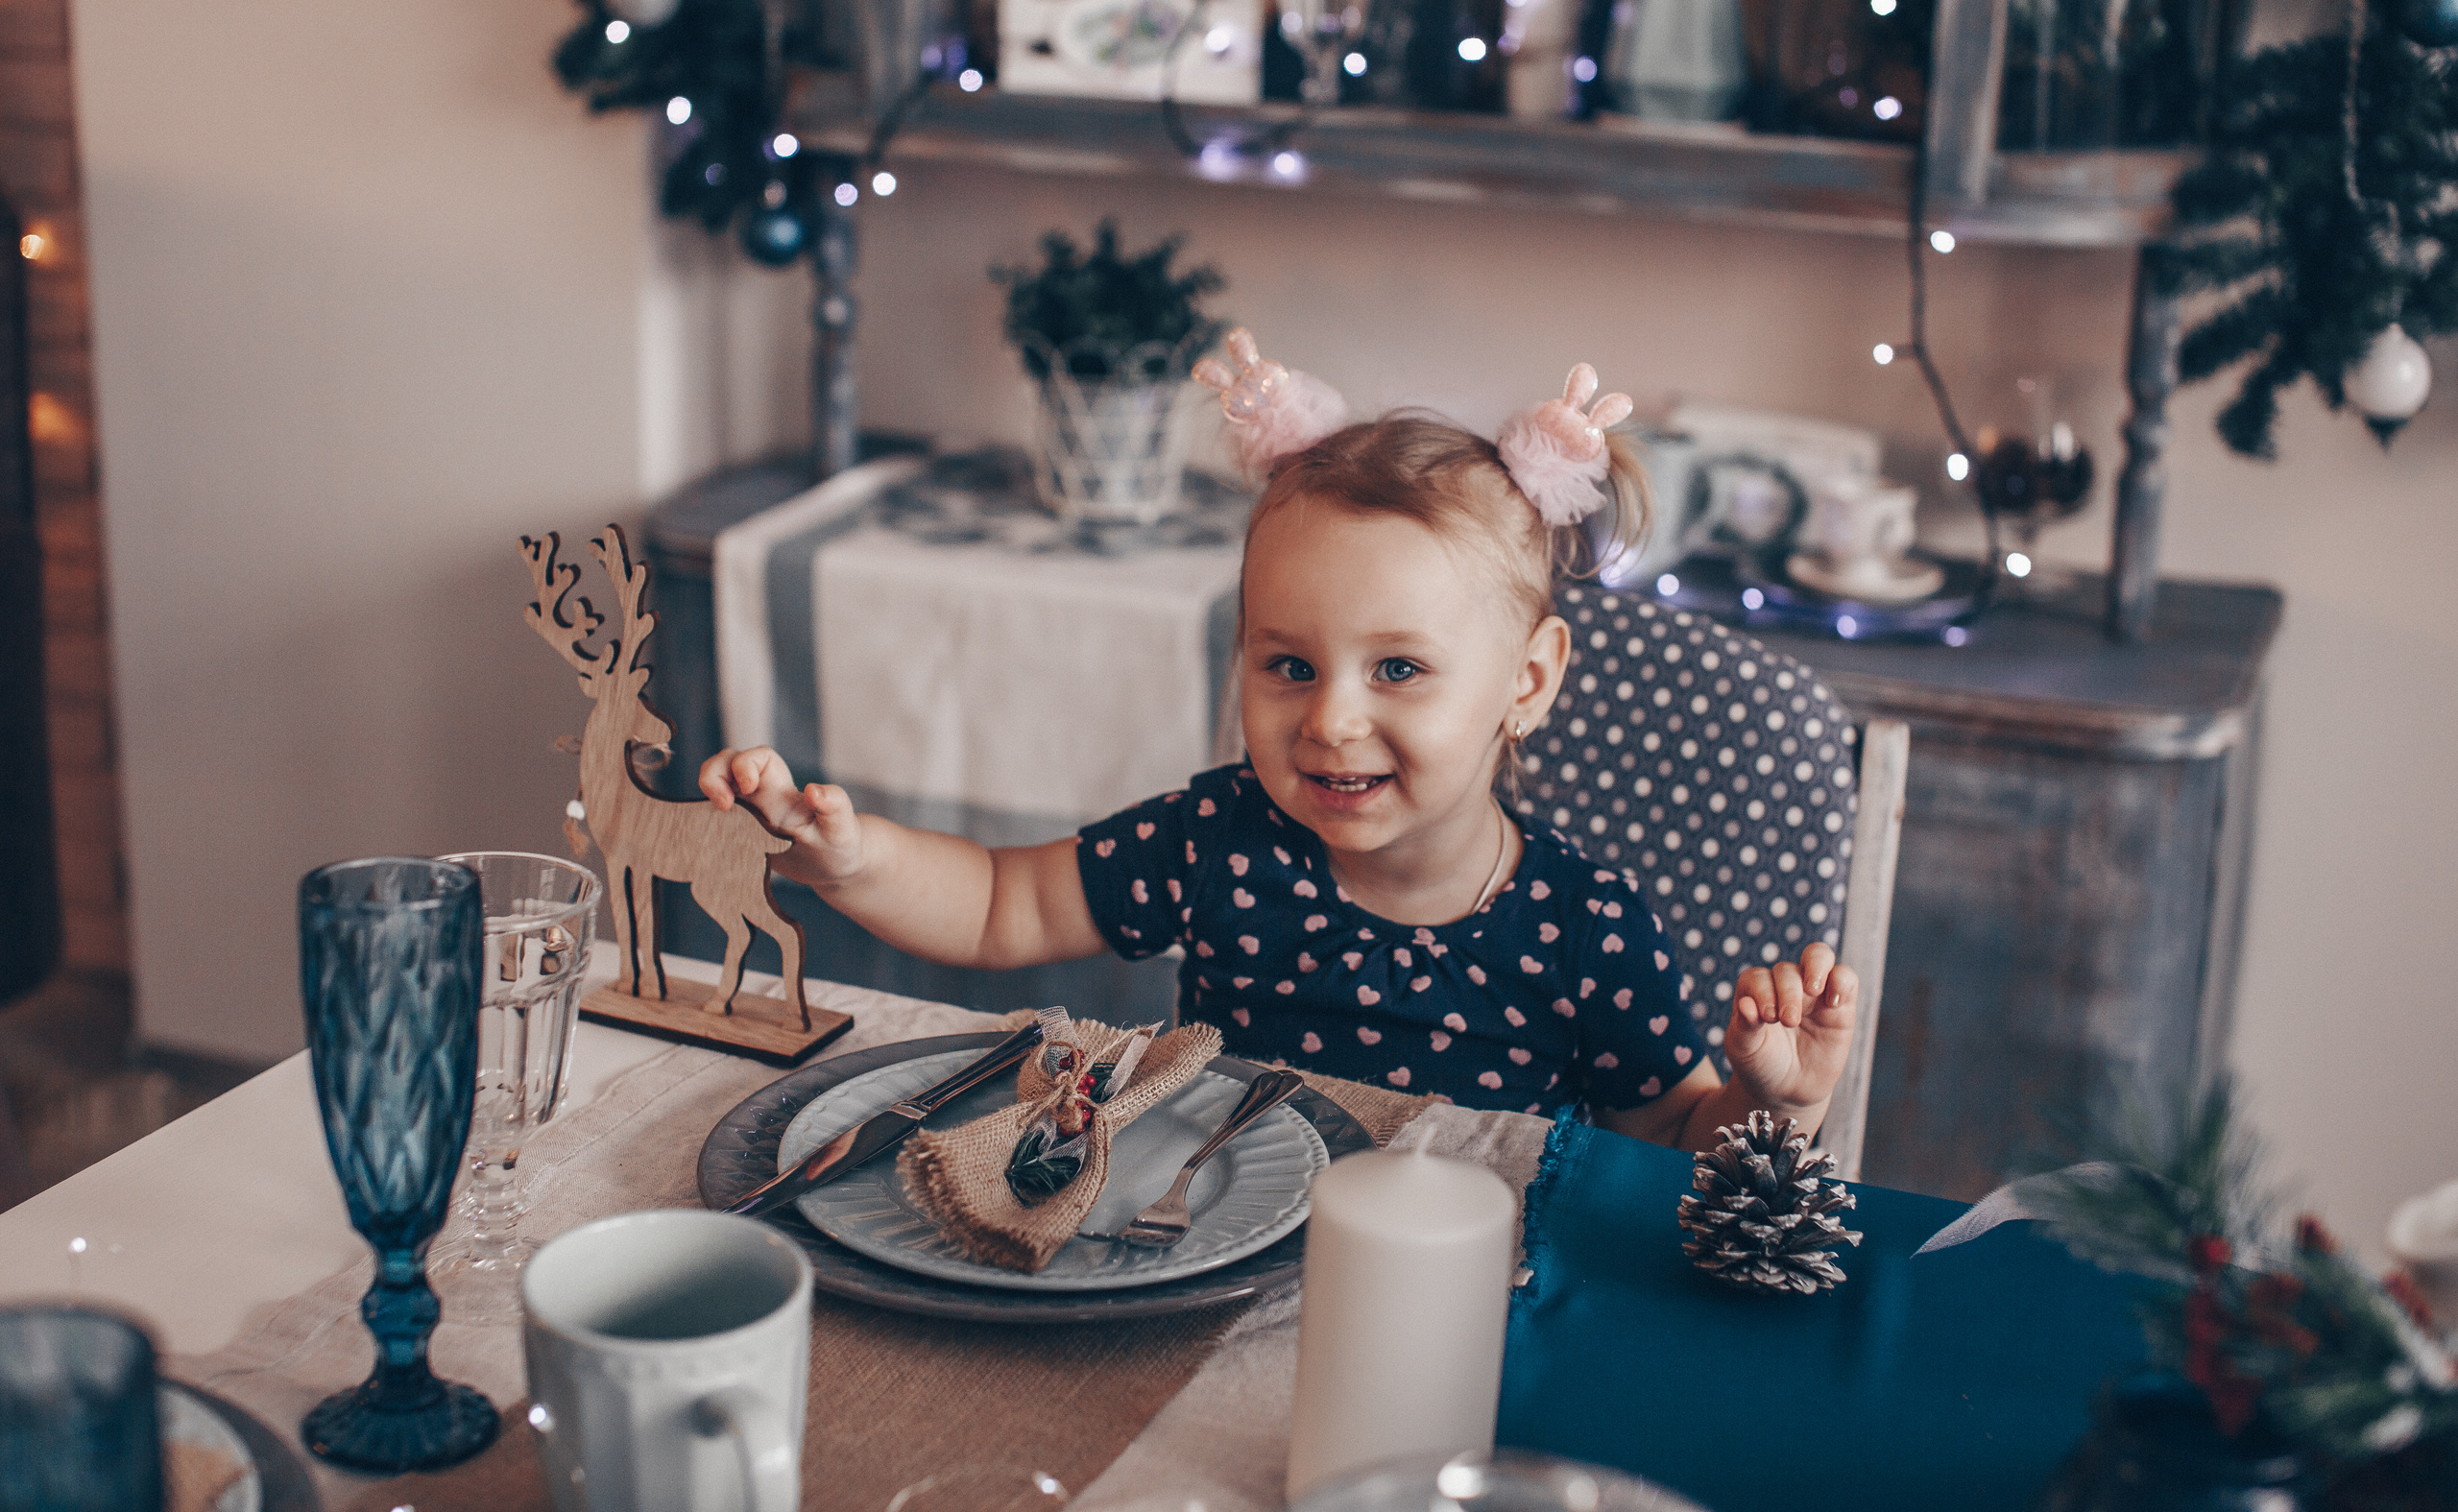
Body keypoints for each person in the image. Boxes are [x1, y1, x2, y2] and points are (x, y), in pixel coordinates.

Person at [700, 331, 1857, 1148]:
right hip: (1209, 1260)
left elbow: (1670, 1136)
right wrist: (848, 861)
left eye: (1397, 669)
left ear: (1528, 681)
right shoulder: (1218, 838)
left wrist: (1775, 1103)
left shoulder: (1586, 929)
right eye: (1288, 665)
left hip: (1458, 1310)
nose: (1330, 721)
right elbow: (1002, 904)